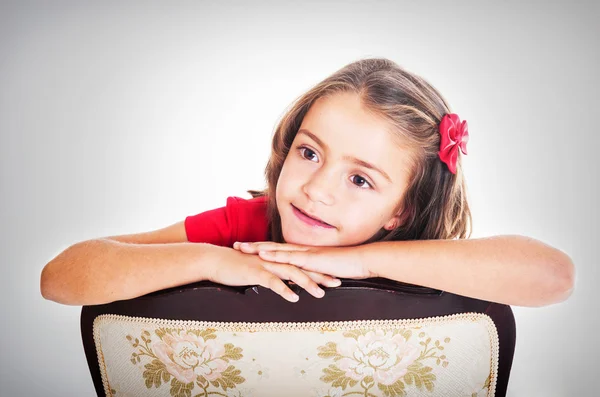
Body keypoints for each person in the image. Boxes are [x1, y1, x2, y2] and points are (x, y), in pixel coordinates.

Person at [40, 58, 574, 307]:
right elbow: (60, 276)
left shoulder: (420, 255)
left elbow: (553, 276)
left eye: (361, 179)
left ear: (400, 213)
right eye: (310, 151)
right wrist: (211, 259)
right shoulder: (246, 228)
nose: (317, 189)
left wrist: (359, 262)